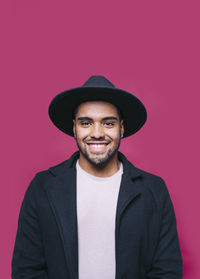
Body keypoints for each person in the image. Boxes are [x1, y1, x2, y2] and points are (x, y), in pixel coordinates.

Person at [12, 76, 183, 279]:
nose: (97, 133)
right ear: (74, 127)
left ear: (121, 127)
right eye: (86, 123)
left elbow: (167, 270)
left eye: (108, 123)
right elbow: (26, 270)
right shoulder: (43, 186)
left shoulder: (153, 189)